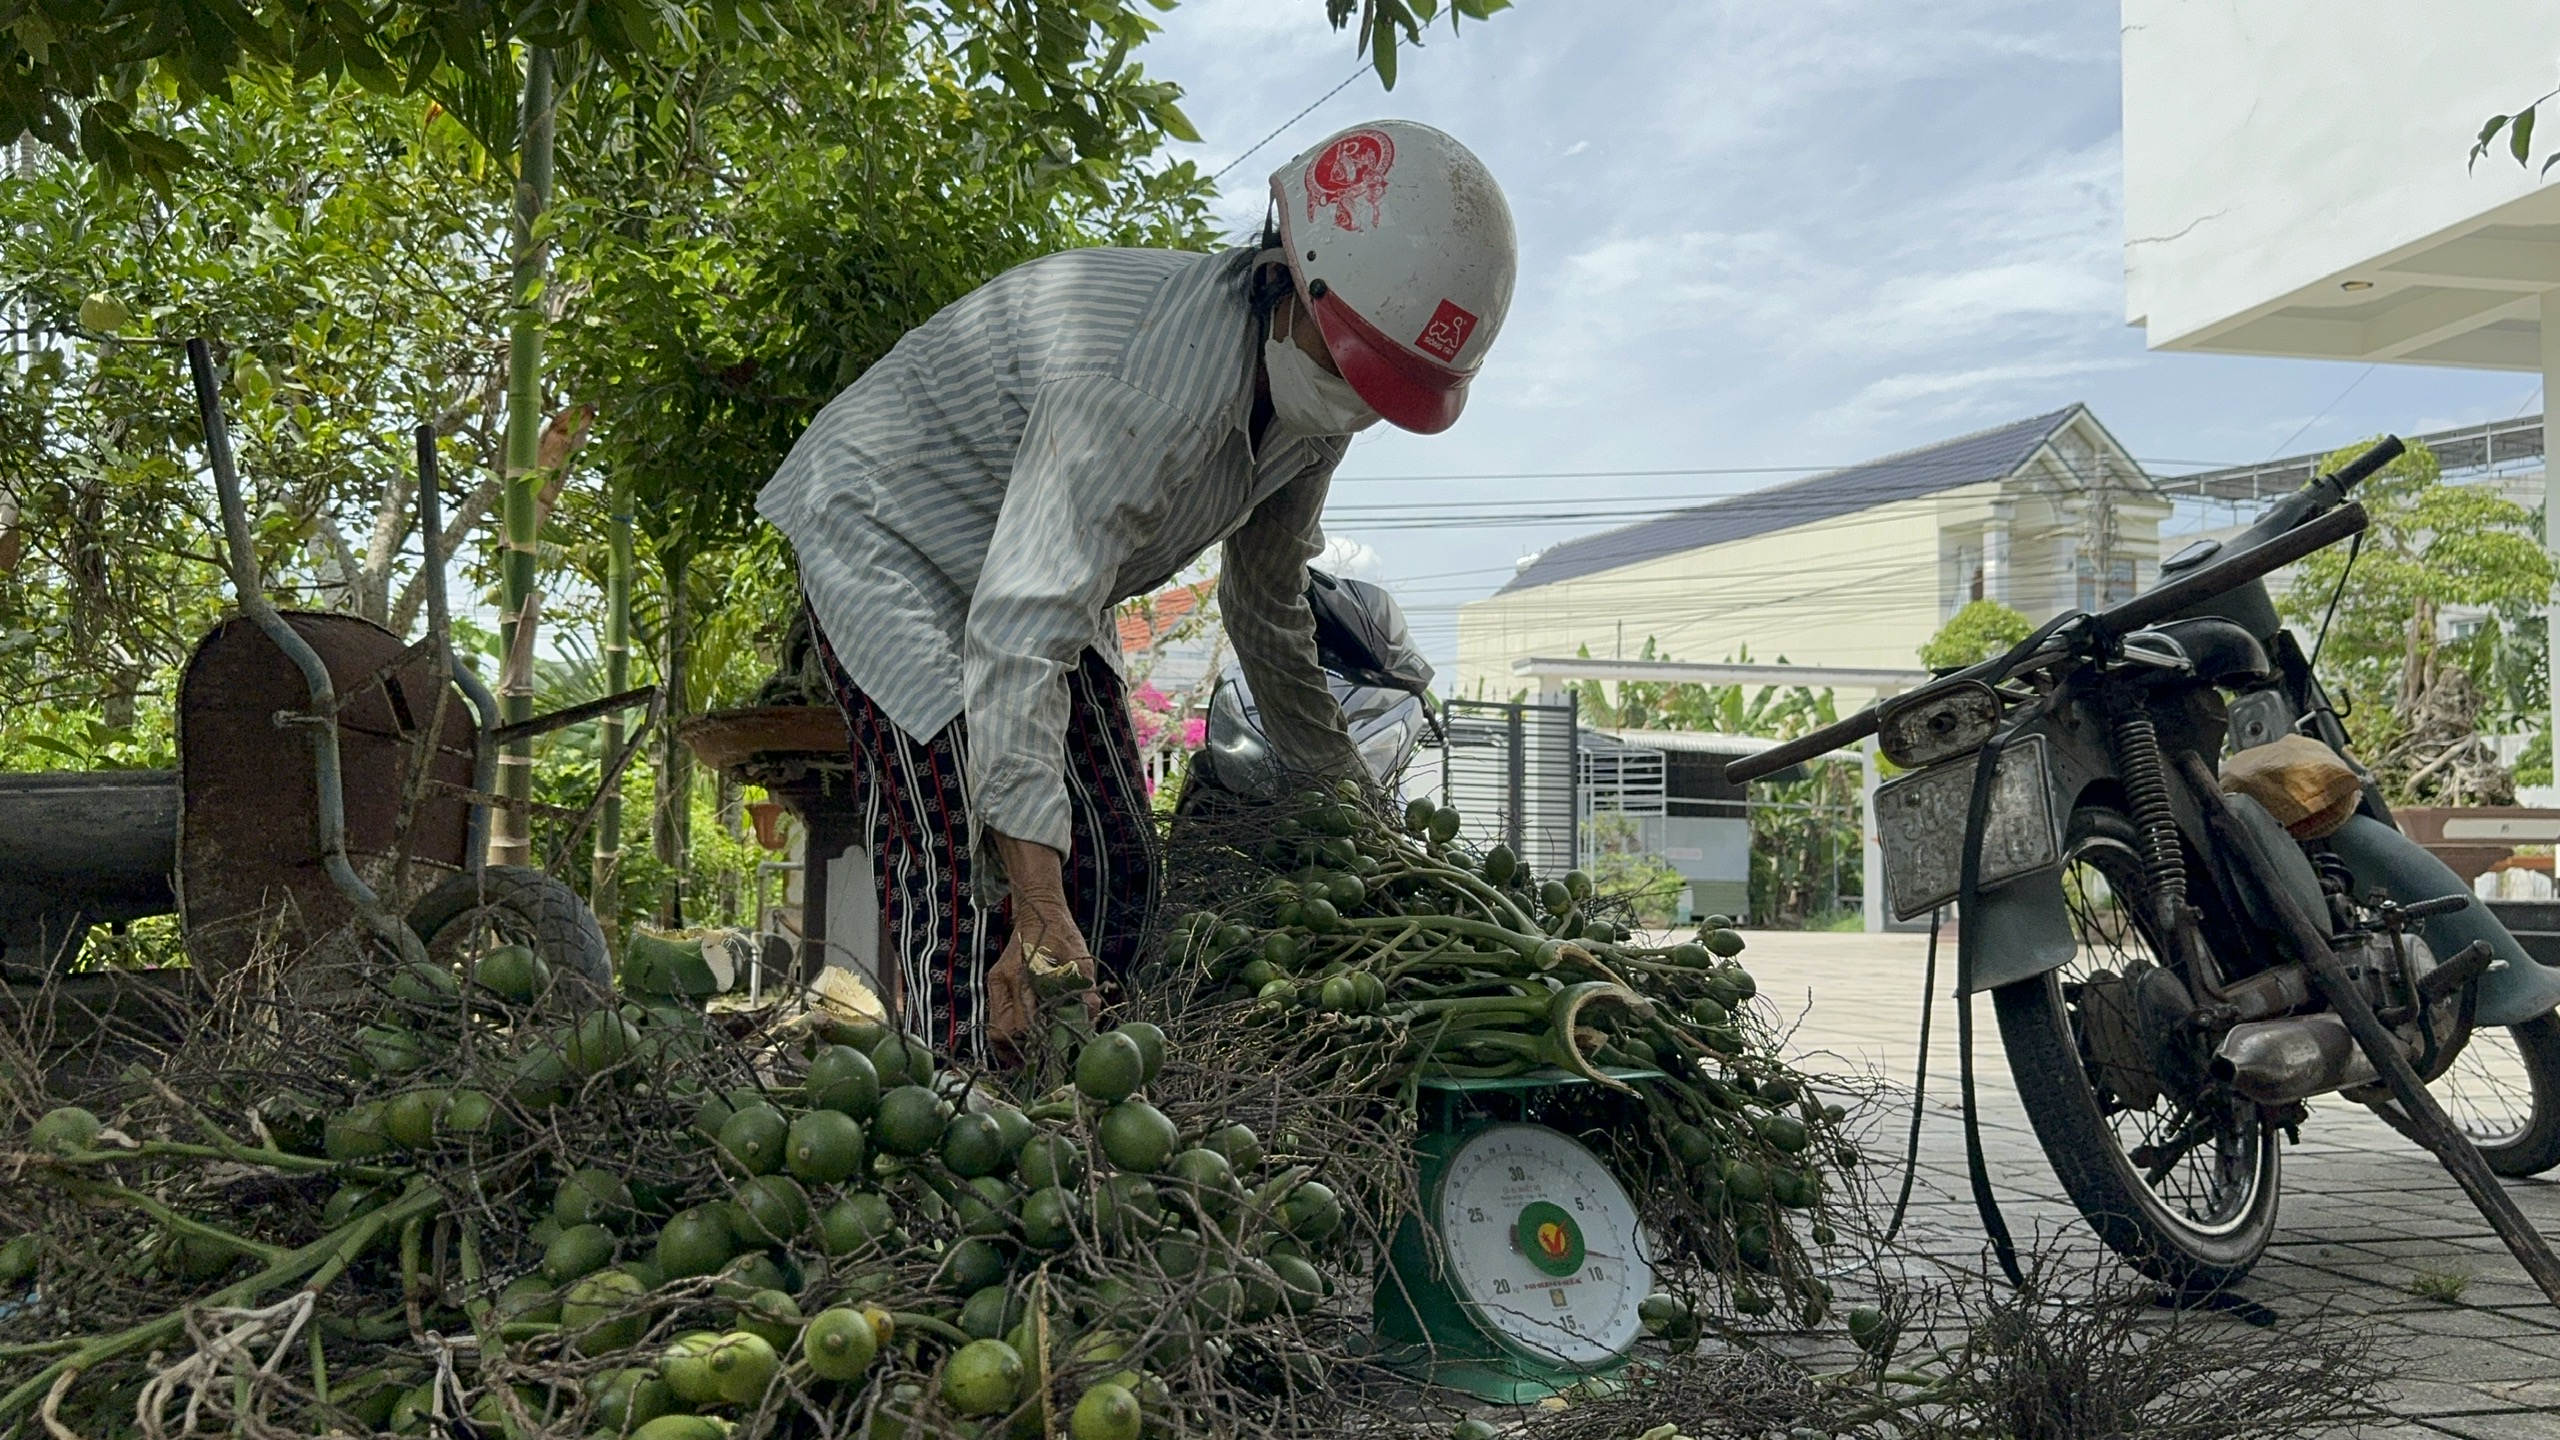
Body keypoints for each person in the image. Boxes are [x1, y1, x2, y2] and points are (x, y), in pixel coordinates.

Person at [756, 119, 1516, 1063]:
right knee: (960, 856)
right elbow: (1020, 627)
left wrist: (1347, 809)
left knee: (1116, 852)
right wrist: (1034, 901)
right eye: (1351, 369)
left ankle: (1081, 1098)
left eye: (1382, 391)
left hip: (1033, 556)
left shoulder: (1317, 410)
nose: (1357, 407)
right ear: (1288, 273)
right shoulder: (1149, 390)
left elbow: (1268, 602)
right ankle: (952, 1130)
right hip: (892, 530)